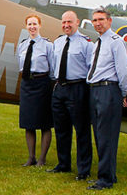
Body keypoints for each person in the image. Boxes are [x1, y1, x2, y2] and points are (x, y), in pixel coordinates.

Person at [85, 9, 127, 190]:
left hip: (108, 90)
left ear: (110, 21)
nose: (98, 23)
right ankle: (108, 174)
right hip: (95, 90)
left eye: (101, 20)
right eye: (95, 20)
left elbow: (124, 71)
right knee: (99, 135)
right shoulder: (98, 43)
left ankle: (105, 180)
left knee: (107, 137)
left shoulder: (116, 42)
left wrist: (123, 94)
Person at [46, 11, 95, 181]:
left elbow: (91, 69)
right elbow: (53, 65)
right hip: (60, 89)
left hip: (78, 88)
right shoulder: (58, 42)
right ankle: (63, 164)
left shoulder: (86, 44)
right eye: (64, 22)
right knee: (61, 129)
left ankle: (84, 170)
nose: (66, 25)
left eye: (70, 22)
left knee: (81, 131)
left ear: (77, 23)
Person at [17, 13, 55, 167]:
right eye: (29, 24)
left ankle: (42, 159)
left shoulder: (47, 45)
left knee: (45, 123)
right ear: (26, 27)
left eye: (35, 24)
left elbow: (53, 68)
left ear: (40, 26)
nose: (32, 27)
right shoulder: (23, 45)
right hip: (27, 84)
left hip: (42, 83)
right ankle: (31, 157)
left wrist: (49, 85)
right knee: (28, 123)